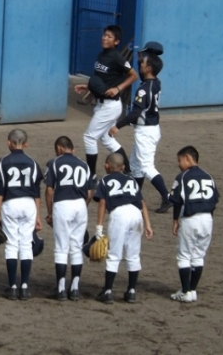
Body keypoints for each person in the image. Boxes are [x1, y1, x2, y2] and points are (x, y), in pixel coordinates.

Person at [108, 41, 172, 213]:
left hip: (146, 132)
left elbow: (136, 112)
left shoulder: (143, 89)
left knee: (146, 167)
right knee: (136, 165)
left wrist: (118, 126)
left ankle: (167, 198)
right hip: (150, 129)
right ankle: (135, 198)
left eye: (143, 63)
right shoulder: (156, 82)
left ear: (149, 68)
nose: (140, 64)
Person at [74, 25, 138, 182]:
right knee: (107, 139)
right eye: (104, 35)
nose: (105, 38)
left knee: (89, 137)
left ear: (116, 42)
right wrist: (87, 86)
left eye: (109, 37)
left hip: (110, 106)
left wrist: (118, 88)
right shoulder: (101, 55)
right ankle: (128, 171)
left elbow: (133, 75)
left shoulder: (117, 58)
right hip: (102, 104)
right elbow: (102, 81)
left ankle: (92, 176)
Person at [93, 153, 153, 305]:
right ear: (123, 167)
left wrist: (99, 226)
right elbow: (142, 203)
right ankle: (131, 291)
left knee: (114, 255)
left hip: (119, 214)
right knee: (133, 255)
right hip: (136, 214)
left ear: (106, 166)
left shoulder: (105, 180)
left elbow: (102, 203)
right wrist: (148, 224)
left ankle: (108, 291)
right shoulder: (131, 180)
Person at [0, 129, 43, 301]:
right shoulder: (33, 163)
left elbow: (0, 190)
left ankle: (13, 287)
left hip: (10, 203)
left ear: (9, 142)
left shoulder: (2, 162)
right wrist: (38, 216)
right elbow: (37, 192)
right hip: (29, 204)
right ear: (26, 144)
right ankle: (25, 287)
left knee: (12, 244)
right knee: (26, 244)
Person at [44, 136, 92, 301]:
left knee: (61, 248)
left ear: (59, 148)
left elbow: (49, 190)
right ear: (72, 149)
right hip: (80, 205)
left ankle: (61, 289)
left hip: (63, 205)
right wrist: (82, 207)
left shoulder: (54, 163)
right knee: (76, 247)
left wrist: (50, 212)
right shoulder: (84, 165)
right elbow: (89, 193)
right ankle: (75, 288)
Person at [168, 146, 219, 303]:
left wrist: (175, 220)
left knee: (184, 256)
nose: (178, 164)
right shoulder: (208, 176)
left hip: (191, 219)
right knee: (198, 256)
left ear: (188, 158)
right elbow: (215, 200)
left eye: (179, 160)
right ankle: (192, 291)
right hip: (208, 220)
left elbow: (176, 200)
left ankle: (185, 291)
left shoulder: (182, 177)